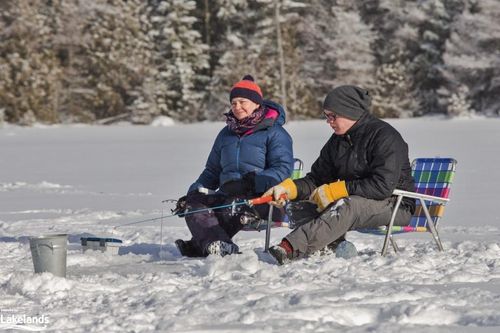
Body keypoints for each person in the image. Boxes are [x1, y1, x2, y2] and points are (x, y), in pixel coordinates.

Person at [263, 85, 415, 265]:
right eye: (326, 116)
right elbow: (317, 178)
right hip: (358, 202)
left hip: (395, 204)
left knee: (345, 205)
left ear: (349, 112)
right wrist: (290, 188)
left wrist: (338, 189)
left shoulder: (385, 137)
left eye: (332, 116)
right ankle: (332, 247)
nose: (329, 121)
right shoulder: (337, 141)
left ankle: (289, 248)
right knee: (300, 206)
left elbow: (382, 186)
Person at [175, 75, 294, 257]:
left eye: (242, 102)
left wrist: (252, 182)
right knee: (194, 205)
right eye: (233, 103)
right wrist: (193, 192)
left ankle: (204, 244)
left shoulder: (275, 133)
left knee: (234, 206)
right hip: (228, 194)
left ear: (256, 103)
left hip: (263, 199)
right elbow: (212, 171)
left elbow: (283, 169)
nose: (237, 107)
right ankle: (215, 244)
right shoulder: (226, 134)